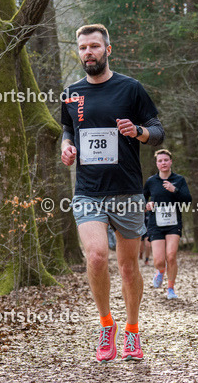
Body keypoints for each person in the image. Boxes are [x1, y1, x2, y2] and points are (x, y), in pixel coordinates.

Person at [60, 24, 164, 362]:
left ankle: (132, 330)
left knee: (129, 268)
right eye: (82, 48)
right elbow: (67, 128)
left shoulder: (131, 89)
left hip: (127, 191)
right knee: (95, 256)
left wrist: (139, 132)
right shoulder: (72, 92)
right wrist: (67, 147)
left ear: (108, 49)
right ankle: (107, 325)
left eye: (94, 46)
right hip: (88, 191)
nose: (88, 52)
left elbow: (158, 131)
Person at [144, 149, 191, 299]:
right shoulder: (151, 181)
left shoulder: (179, 180)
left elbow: (188, 200)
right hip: (155, 223)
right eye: (160, 161)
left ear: (171, 162)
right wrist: (147, 205)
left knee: (171, 256)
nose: (163, 163)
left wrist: (174, 190)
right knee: (159, 260)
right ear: (156, 164)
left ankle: (170, 289)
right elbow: (142, 199)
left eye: (166, 160)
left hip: (173, 223)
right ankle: (160, 271)